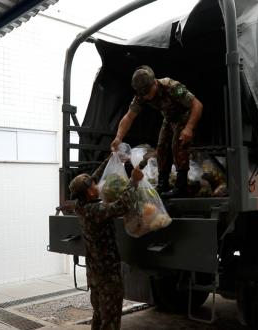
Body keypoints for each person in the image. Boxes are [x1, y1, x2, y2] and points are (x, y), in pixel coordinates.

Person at [69, 162, 143, 330]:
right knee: (110, 319)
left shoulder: (80, 206)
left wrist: (112, 158)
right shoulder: (95, 210)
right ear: (89, 192)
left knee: (100, 314)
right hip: (107, 276)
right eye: (94, 184)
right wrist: (133, 182)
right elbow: (122, 206)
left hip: (95, 275)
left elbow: (93, 176)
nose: (98, 184)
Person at [111, 65, 203, 198]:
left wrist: (189, 128)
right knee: (161, 147)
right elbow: (129, 117)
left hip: (185, 115)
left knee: (178, 144)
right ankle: (163, 184)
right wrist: (118, 138)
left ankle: (181, 186)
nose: (147, 97)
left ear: (155, 83)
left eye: (149, 92)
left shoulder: (171, 86)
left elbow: (197, 105)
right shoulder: (141, 95)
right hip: (169, 118)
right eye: (144, 94)